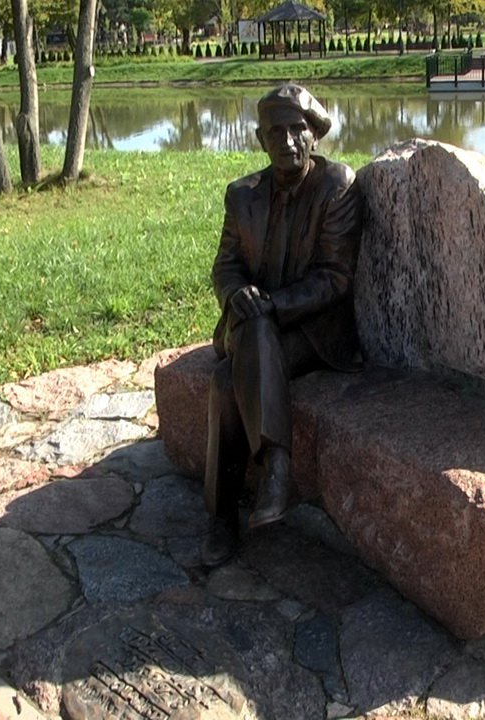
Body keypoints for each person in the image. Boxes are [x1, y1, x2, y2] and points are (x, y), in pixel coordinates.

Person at [202, 84, 363, 566]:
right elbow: (226, 267)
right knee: (237, 356)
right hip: (255, 326)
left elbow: (335, 278)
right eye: (276, 132)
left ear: (314, 134)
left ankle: (231, 508)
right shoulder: (242, 196)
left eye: (298, 130)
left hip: (311, 332)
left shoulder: (337, 185)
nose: (288, 141)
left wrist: (272, 305)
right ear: (260, 139)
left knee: (226, 379)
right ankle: (269, 474)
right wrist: (236, 294)